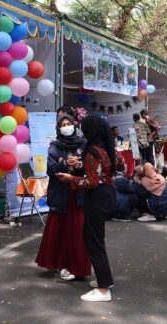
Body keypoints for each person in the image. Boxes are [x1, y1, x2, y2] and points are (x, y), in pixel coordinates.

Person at [57, 116, 116, 302]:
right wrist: (82, 166)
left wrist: (70, 178)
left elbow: (91, 181)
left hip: (96, 198)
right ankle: (105, 279)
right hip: (108, 195)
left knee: (93, 241)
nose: (82, 132)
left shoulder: (92, 151)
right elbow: (117, 165)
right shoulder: (106, 148)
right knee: (97, 239)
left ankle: (103, 289)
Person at [35, 114, 90, 281]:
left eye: (68, 123)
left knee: (78, 232)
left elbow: (89, 167)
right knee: (60, 232)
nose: (66, 127)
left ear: (74, 125)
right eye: (63, 125)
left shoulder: (83, 144)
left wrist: (79, 165)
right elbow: (50, 170)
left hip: (78, 193)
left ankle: (79, 268)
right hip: (61, 193)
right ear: (58, 129)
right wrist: (65, 164)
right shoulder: (54, 147)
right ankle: (61, 265)